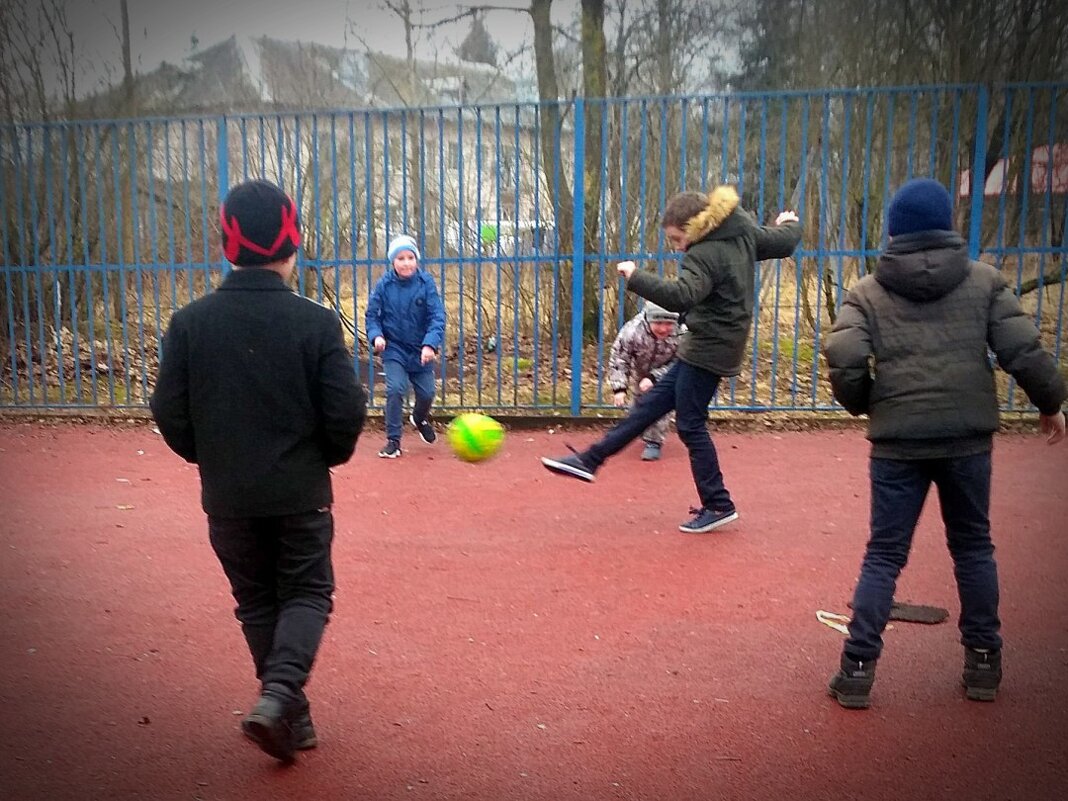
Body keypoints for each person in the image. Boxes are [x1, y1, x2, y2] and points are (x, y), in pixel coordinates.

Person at [823, 177, 1066, 709]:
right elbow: (1022, 350)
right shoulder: (984, 282)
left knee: (884, 554)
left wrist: (867, 402)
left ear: (893, 231)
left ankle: (857, 670)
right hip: (967, 438)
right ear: (948, 225)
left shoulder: (866, 291)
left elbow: (843, 359)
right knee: (973, 546)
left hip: (898, 442)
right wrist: (1051, 403)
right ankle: (983, 663)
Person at [150, 179, 367, 762]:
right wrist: (324, 456)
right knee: (308, 593)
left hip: (228, 497)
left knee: (256, 602)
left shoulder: (190, 324)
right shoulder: (316, 323)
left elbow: (167, 412)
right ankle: (278, 697)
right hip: (299, 492)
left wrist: (211, 456)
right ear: (291, 246)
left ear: (227, 244)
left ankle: (290, 716)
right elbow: (346, 413)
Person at [541, 186, 802, 533]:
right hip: (715, 342)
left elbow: (682, 296)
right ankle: (590, 460)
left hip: (709, 347)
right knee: (650, 406)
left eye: (678, 238)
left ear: (696, 227)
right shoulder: (742, 231)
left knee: (691, 425)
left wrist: (636, 278)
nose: (678, 247)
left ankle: (718, 503)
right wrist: (790, 223)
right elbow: (783, 242)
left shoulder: (704, 253)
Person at [365, 234, 446, 458]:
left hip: (421, 350)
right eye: (400, 258)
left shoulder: (426, 283)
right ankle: (393, 441)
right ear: (393, 262)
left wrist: (430, 344)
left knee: (427, 393)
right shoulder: (384, 285)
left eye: (410, 257)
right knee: (395, 389)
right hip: (394, 349)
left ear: (416, 260)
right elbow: (372, 315)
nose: (406, 262)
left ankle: (419, 418)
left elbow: (437, 316)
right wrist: (376, 336)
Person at [606, 301, 681, 461]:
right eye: (658, 323)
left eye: (668, 323)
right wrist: (619, 388)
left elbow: (682, 361)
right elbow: (619, 358)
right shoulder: (632, 331)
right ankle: (638, 428)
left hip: (668, 371)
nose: (663, 329)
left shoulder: (682, 333)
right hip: (640, 368)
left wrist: (654, 377)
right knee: (639, 404)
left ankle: (654, 442)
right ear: (648, 320)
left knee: (661, 403)